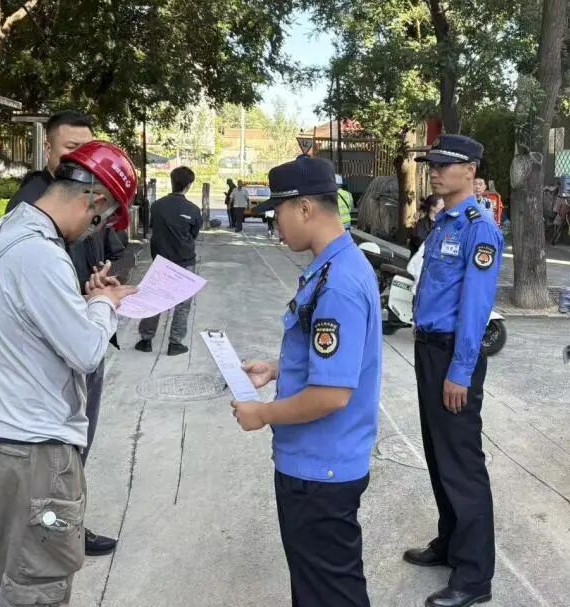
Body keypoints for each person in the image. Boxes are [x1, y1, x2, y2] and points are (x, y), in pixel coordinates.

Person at [0, 141, 138, 607]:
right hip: (33, 452)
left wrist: (83, 300)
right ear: (94, 201)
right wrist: (104, 304)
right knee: (39, 588)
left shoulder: (13, 230)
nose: (91, 233)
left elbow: (31, 323)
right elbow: (85, 351)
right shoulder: (42, 255)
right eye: (99, 221)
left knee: (19, 577)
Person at [232, 156, 382, 607]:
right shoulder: (337, 266)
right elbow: (335, 362)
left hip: (320, 468)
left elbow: (333, 394)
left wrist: (262, 413)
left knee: (330, 593)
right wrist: (278, 370)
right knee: (318, 588)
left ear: (303, 209)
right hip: (320, 462)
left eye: (277, 212)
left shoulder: (337, 284)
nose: (275, 225)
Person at [3, 109, 124, 556]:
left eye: (88, 146)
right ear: (48, 148)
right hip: (61, 347)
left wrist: (99, 286)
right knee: (60, 449)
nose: (83, 155)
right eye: (72, 148)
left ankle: (67, 523)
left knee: (79, 440)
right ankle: (55, 531)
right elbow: (40, 286)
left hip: (83, 327)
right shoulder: (32, 208)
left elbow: (109, 250)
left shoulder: (83, 199)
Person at [404, 135, 503, 607]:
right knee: (439, 456)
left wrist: (460, 371)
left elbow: (475, 307)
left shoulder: (478, 227)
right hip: (430, 351)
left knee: (462, 465)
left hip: (452, 356)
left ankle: (473, 578)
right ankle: (450, 544)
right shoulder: (444, 222)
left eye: (445, 164)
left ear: (470, 170)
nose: (435, 170)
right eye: (432, 163)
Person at [135, 166, 201, 356]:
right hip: (185, 262)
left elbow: (151, 228)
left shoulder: (157, 206)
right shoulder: (193, 210)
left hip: (161, 262)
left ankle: (146, 340)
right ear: (189, 185)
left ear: (172, 182)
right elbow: (193, 234)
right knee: (182, 305)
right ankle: (175, 344)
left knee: (154, 300)